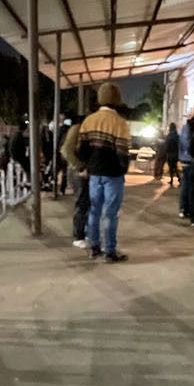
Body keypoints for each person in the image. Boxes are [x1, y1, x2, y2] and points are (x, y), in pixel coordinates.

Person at [74, 82, 133, 263]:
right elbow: (123, 153)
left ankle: (94, 247)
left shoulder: (89, 121)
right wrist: (123, 169)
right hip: (113, 175)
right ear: (117, 99)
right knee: (110, 213)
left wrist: (88, 165)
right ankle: (110, 251)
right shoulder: (120, 123)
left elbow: (81, 151)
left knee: (94, 211)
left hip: (94, 175)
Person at [60, 117, 90, 248]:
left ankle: (82, 233)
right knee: (81, 203)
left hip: (78, 170)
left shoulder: (78, 130)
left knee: (84, 203)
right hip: (78, 171)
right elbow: (66, 150)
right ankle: (78, 236)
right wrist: (80, 167)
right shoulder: (77, 130)